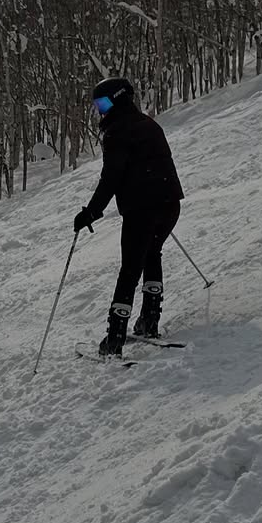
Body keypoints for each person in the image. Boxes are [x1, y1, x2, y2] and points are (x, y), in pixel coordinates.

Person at [74, 77, 184, 356]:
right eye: (97, 104)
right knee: (152, 255)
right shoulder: (149, 123)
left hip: (142, 210)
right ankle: (149, 320)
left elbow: (111, 178)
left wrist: (90, 212)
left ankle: (114, 339)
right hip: (169, 204)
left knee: (130, 270)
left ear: (118, 98)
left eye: (103, 103)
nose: (100, 110)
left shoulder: (117, 132)